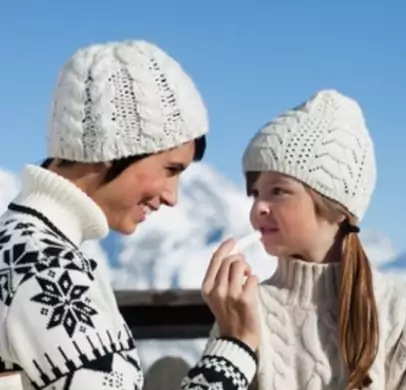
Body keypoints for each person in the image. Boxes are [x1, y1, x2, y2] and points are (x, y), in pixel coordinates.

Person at [0, 40, 260, 390]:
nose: (172, 197)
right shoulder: (48, 273)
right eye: (170, 169)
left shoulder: (20, 247)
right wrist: (235, 346)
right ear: (112, 147)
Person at [205, 89, 406, 389]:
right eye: (255, 193)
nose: (258, 207)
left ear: (337, 208)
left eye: (278, 191)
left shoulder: (402, 310)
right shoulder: (246, 311)